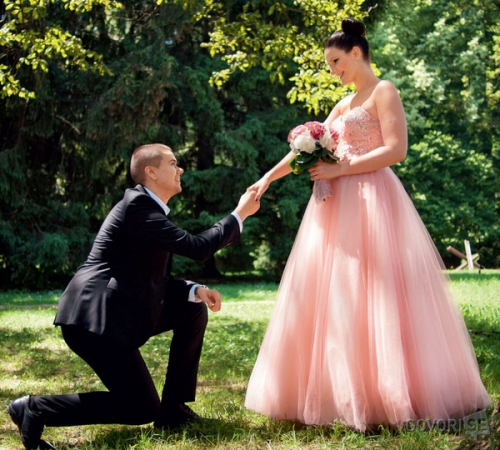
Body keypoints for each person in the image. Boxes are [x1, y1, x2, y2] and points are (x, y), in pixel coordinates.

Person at [244, 18, 491, 431]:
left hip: (373, 200)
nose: (332, 71)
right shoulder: (343, 105)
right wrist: (267, 178)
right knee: (339, 296)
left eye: (335, 61)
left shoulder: (383, 91)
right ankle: (339, 392)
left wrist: (341, 169)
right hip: (334, 207)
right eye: (329, 64)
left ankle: (391, 394)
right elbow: (307, 148)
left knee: (380, 294)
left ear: (356, 53)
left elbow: (396, 150)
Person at [7, 143, 260, 450]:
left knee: (192, 308)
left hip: (119, 312)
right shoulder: (138, 207)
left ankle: (173, 410)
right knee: (140, 407)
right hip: (95, 321)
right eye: (173, 163)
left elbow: (149, 277)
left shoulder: (147, 210)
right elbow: (198, 248)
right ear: (151, 172)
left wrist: (193, 290)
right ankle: (35, 408)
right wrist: (239, 214)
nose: (180, 169)